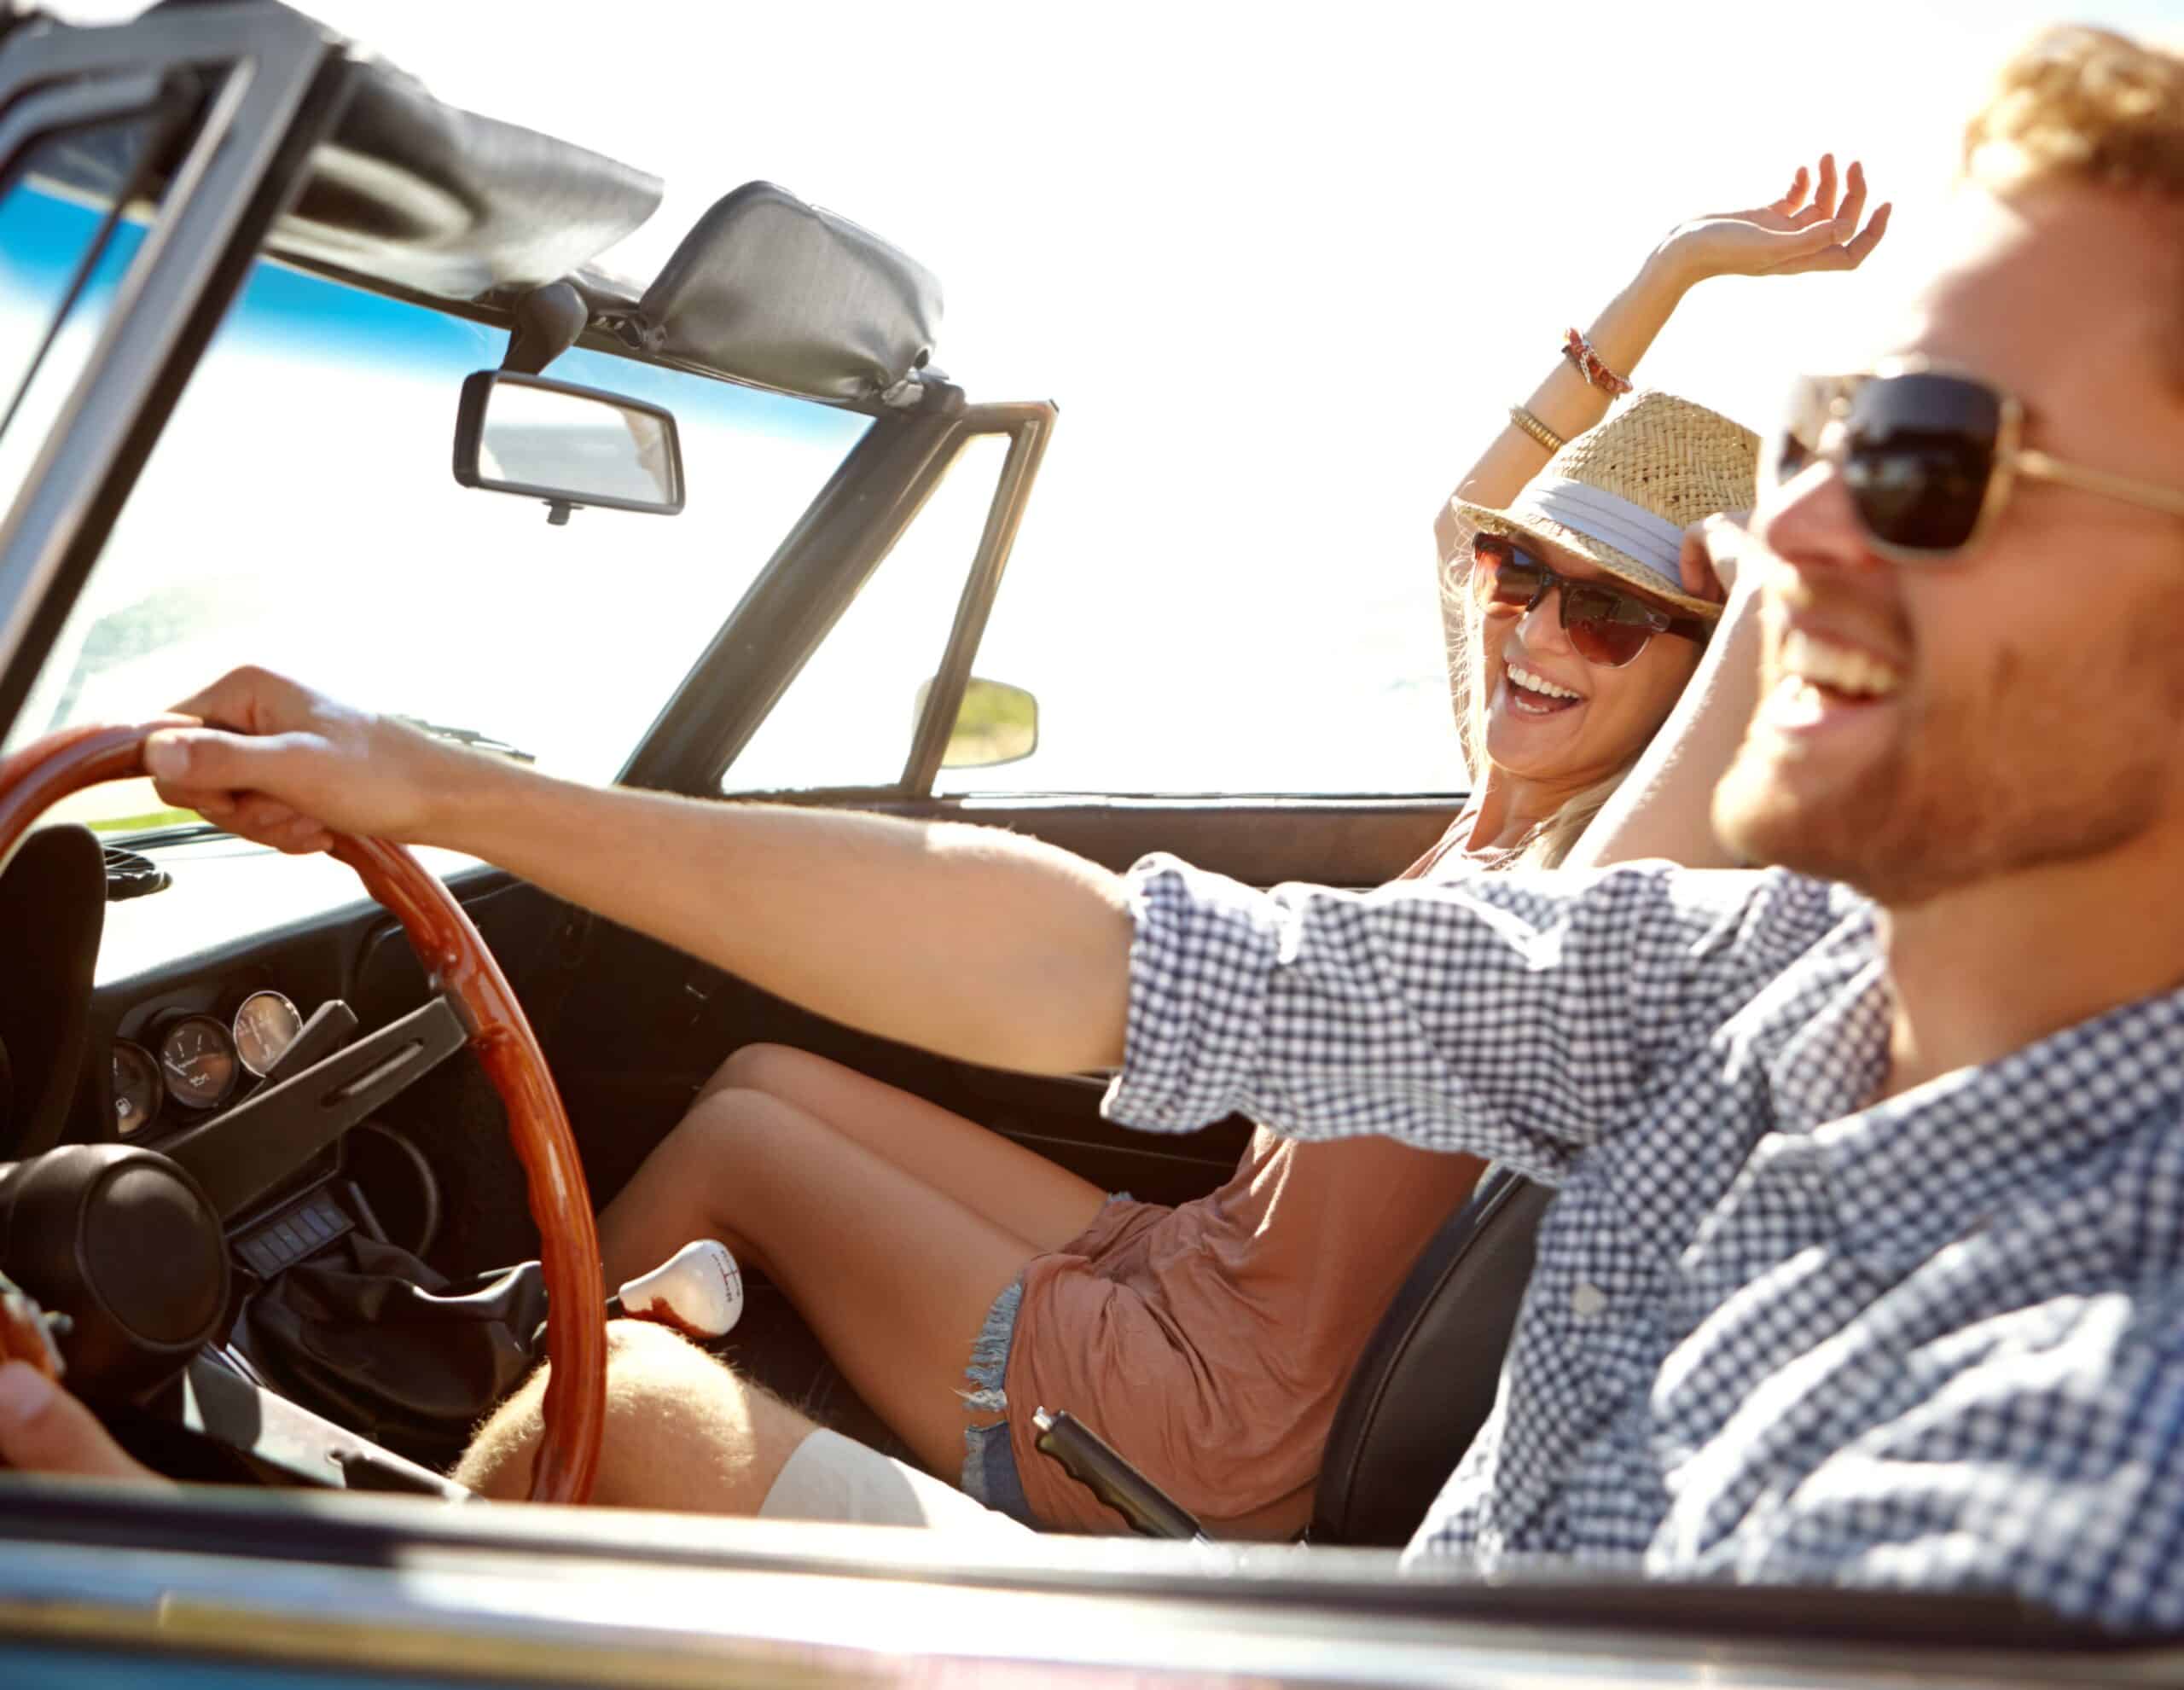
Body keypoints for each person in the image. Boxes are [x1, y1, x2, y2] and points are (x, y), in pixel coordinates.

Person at [12, 18, 2184, 1635]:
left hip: (1231, 1475)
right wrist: (433, 782)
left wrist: (148, 1560)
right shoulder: (1731, 973)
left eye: (1920, 461)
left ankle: (526, 1374)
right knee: (689, 1305)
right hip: (1299, 1468)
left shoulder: (2080, 1456)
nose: (1793, 528)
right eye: (1817, 439)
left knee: (594, 1376)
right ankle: (572, 1371)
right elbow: (1109, 957)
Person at [587, 168, 1885, 1536]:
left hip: (1203, 1421)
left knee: (735, 1143)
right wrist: (1673, 270)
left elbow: (1715, 678)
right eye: (1530, 577)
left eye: (1614, 616)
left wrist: (1772, 564)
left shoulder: (1589, 887)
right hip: (1185, 1264)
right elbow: (1460, 523)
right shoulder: (1510, 784)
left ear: (1696, 673)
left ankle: (474, 1474)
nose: (1540, 633)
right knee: (757, 1071)